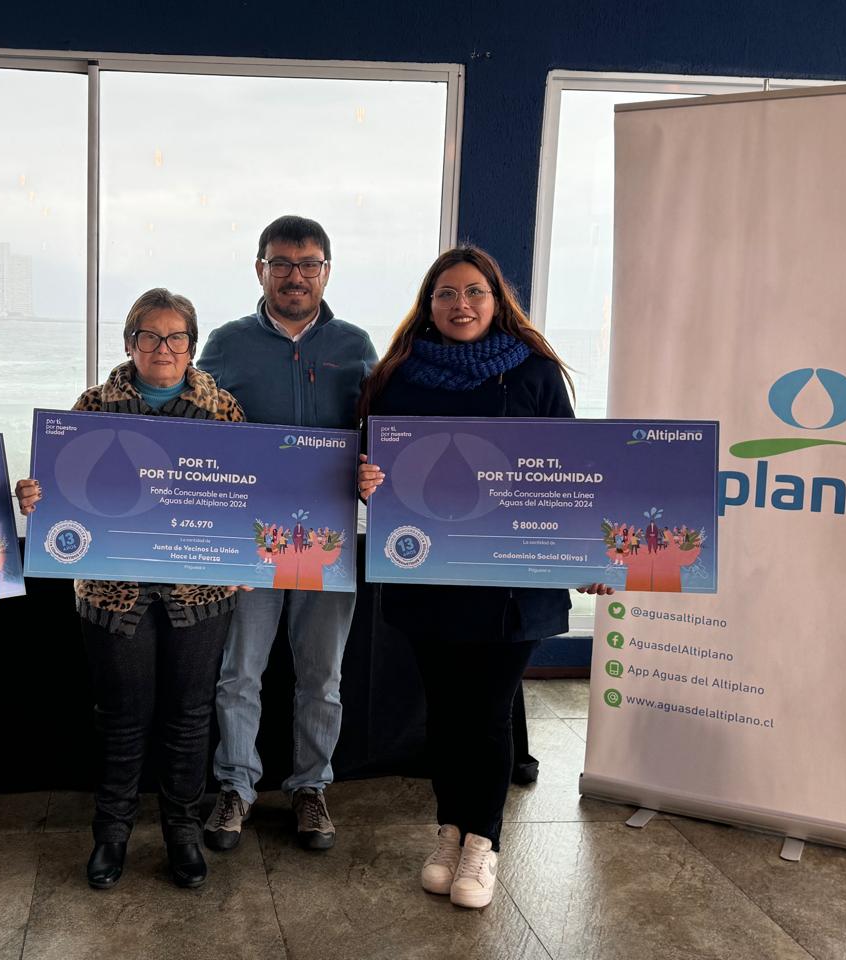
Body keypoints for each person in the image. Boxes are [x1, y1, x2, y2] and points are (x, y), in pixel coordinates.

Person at [356, 246, 612, 909]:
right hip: (428, 580)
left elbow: (574, 473)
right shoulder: (396, 377)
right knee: (444, 715)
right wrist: (366, 480)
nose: (461, 304)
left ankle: (482, 844)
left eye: (474, 291)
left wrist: (591, 556)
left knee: (489, 717)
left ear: (497, 300)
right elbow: (371, 465)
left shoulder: (535, 373)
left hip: (512, 587)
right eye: (446, 293)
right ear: (428, 304)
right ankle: (449, 831)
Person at [15, 288, 247, 890]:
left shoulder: (224, 410)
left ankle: (182, 833)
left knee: (189, 719)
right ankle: (111, 835)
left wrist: (250, 552)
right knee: (121, 719)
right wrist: (35, 497)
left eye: (176, 337)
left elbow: (247, 495)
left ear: (192, 346)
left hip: (200, 593)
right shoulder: (92, 407)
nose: (163, 347)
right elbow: (62, 486)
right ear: (129, 342)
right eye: (150, 335)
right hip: (113, 592)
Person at [198, 215, 377, 851]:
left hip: (329, 540)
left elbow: (382, 431)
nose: (294, 276)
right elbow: (195, 426)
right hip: (250, 540)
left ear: (326, 272)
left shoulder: (356, 345)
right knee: (239, 673)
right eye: (281, 264)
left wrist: (375, 469)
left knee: (321, 676)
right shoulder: (226, 344)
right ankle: (235, 786)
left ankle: (310, 788)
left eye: (308, 265)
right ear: (261, 270)